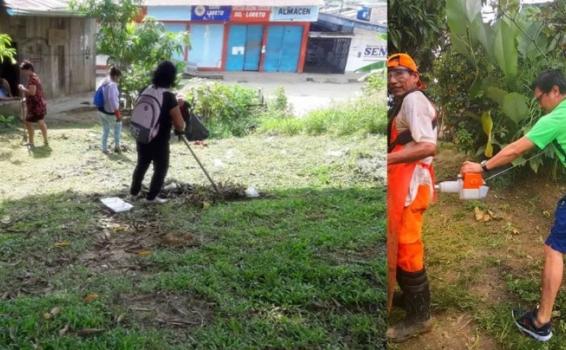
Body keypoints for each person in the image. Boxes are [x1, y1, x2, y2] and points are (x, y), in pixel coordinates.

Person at [461, 69, 566, 342]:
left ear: (555, 91)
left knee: (554, 249)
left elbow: (515, 149)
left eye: (541, 97)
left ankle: (541, 322)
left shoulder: (557, 117)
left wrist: (482, 166)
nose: (540, 104)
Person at [386, 53, 438, 343]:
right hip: (405, 183)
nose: (393, 80)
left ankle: (420, 317)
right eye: (390, 74)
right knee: (401, 244)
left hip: (411, 184)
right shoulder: (407, 102)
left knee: (407, 247)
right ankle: (411, 298)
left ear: (415, 77)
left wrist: (386, 160)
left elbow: (428, 147)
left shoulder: (414, 100)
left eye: (401, 73)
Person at [130, 61, 185, 204]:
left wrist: (174, 105)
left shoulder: (145, 89)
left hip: (142, 134)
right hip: (159, 140)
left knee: (142, 164)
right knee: (161, 168)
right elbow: (179, 124)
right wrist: (181, 128)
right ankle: (151, 197)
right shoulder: (168, 96)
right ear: (172, 77)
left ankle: (133, 193)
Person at [18, 60, 47, 147]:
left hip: (35, 105)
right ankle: (45, 140)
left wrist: (22, 88)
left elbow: (32, 92)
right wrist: (25, 98)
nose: (23, 72)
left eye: (24, 70)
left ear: (29, 69)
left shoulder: (32, 79)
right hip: (38, 103)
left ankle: (31, 142)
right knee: (40, 122)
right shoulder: (35, 77)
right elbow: (35, 92)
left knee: (28, 122)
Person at [97, 66, 122, 154]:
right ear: (115, 76)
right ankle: (117, 146)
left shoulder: (103, 81)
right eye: (119, 77)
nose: (119, 79)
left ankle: (104, 148)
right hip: (109, 112)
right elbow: (112, 100)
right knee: (118, 126)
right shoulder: (112, 85)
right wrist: (117, 113)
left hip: (100, 110)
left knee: (106, 129)